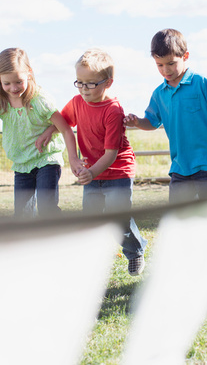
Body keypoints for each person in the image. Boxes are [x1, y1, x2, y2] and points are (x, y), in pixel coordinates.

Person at [56, 49, 148, 276]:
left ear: (108, 83)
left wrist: (91, 172)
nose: (84, 89)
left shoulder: (113, 111)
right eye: (80, 83)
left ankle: (135, 252)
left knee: (118, 218)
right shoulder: (77, 102)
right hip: (92, 173)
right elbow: (62, 121)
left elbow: (110, 154)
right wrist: (48, 134)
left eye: (90, 84)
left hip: (117, 170)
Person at [125, 29, 207, 205]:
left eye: (171, 63)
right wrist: (137, 122)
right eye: (160, 65)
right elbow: (151, 121)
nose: (166, 70)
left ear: (185, 56)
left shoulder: (201, 83)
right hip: (180, 167)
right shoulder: (159, 94)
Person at [0, 47, 73, 217]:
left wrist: (73, 159)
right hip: (22, 164)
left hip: (46, 159)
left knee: (47, 209)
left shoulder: (40, 100)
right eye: (7, 83)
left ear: (29, 73)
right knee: (22, 216)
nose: (13, 88)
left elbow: (66, 129)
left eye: (18, 81)